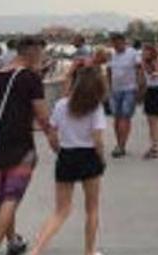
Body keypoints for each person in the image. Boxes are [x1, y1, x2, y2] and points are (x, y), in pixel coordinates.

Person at [0, 36, 52, 255]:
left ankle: (13, 242)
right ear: (32, 51)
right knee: (11, 198)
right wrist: (55, 141)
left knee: (4, 196)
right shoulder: (30, 79)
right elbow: (43, 117)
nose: (42, 58)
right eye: (41, 53)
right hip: (22, 148)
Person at [30, 66, 107, 255]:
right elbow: (98, 139)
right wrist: (101, 158)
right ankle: (89, 251)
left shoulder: (61, 104)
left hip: (67, 155)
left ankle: (36, 250)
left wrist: (59, 151)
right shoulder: (95, 107)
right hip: (89, 156)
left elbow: (52, 134)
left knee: (61, 210)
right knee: (92, 208)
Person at [106, 33, 142, 158]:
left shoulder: (133, 53)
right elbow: (109, 71)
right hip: (115, 90)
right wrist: (108, 88)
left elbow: (139, 69)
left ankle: (121, 146)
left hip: (130, 89)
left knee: (125, 117)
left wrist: (139, 87)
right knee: (116, 118)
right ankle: (119, 143)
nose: (115, 45)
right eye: (113, 43)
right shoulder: (111, 55)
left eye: (117, 42)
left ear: (123, 41)